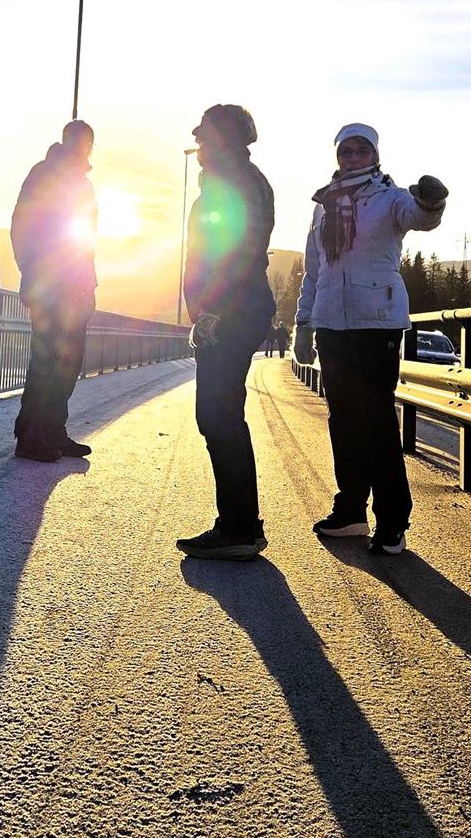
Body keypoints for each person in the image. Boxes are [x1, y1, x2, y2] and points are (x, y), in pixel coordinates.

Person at [293, 123, 447, 555]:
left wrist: (432, 201)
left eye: (362, 150)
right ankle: (351, 512)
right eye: (347, 150)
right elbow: (313, 270)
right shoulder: (324, 205)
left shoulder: (390, 197)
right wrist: (303, 322)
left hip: (377, 322)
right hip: (331, 324)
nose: (354, 157)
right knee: (343, 420)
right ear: (337, 155)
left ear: (375, 156)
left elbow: (420, 217)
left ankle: (393, 521)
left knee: (376, 420)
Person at [175, 105, 275, 561]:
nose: (197, 139)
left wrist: (212, 310)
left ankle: (239, 528)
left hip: (231, 311)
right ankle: (240, 524)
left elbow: (236, 250)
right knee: (220, 415)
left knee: (218, 415)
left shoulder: (234, 183)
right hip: (233, 309)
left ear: (227, 138)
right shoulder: (231, 179)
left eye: (205, 133)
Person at [11, 120, 98, 462]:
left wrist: (89, 283)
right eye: (79, 142)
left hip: (77, 289)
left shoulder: (84, 184)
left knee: (68, 363)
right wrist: (33, 273)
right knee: (46, 362)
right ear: (66, 142)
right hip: (49, 287)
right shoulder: (43, 174)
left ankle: (53, 431)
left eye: (88, 144)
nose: (83, 149)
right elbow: (22, 225)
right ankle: (31, 437)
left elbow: (87, 240)